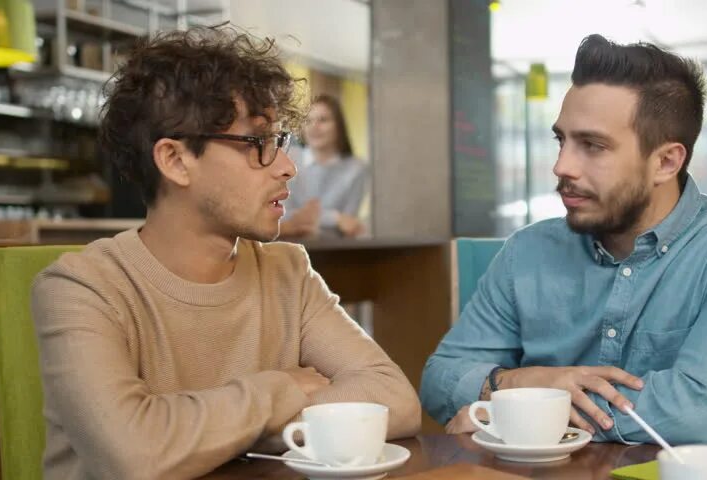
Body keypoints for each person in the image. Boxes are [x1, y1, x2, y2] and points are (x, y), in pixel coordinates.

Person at [31, 26, 420, 480]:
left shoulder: (288, 271)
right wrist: (283, 390)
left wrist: (204, 432)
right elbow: (136, 454)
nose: (288, 167)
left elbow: (394, 398)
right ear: (175, 160)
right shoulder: (82, 288)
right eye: (258, 144)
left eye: (282, 141)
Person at [420, 34, 707, 446]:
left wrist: (521, 404)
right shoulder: (526, 252)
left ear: (666, 162)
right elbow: (439, 379)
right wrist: (515, 380)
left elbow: (699, 415)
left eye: (592, 146)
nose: (562, 166)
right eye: (561, 140)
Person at [280, 95, 369, 239]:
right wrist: (335, 218)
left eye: (323, 120)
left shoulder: (357, 168)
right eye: (308, 121)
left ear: (339, 126)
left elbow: (349, 224)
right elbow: (282, 213)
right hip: (288, 244)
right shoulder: (287, 158)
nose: (314, 126)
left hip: (333, 251)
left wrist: (337, 220)